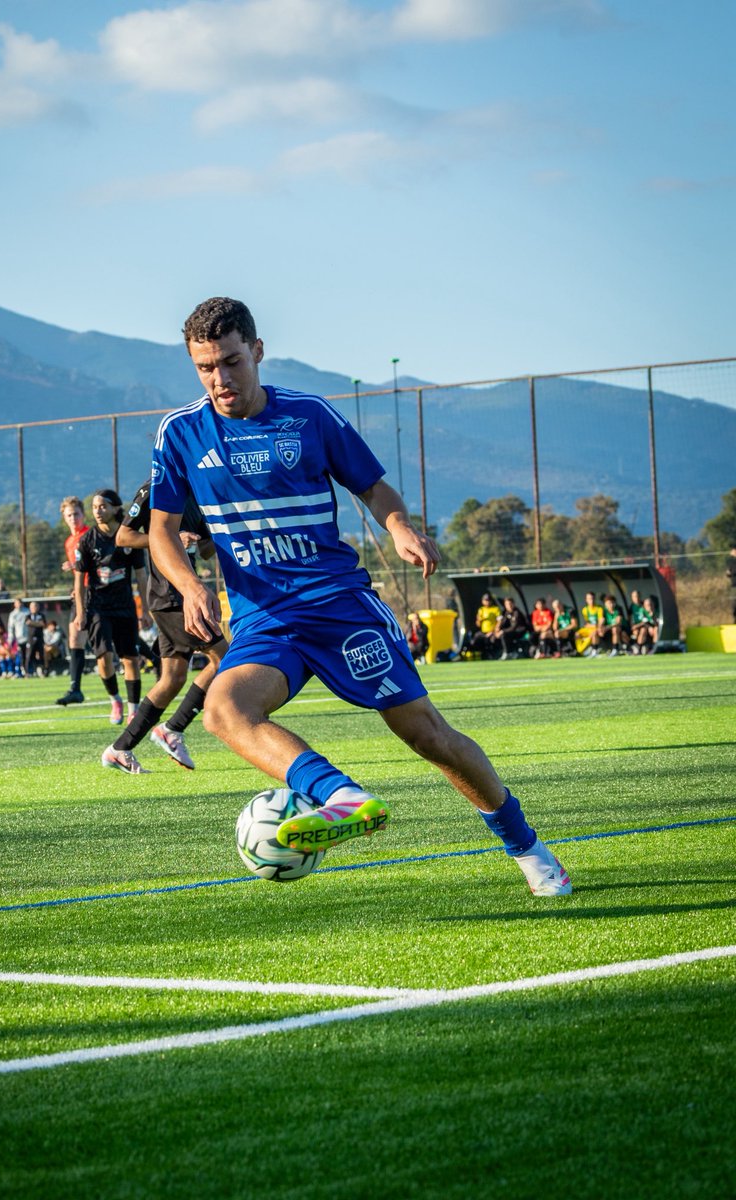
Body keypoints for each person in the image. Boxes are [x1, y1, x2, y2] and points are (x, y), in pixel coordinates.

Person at [148, 296, 571, 897]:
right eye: (205, 368)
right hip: (263, 617)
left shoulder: (310, 416)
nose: (220, 379)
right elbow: (161, 529)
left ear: (258, 352)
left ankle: (529, 849)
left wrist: (399, 527)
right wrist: (190, 585)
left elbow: (372, 487)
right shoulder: (182, 432)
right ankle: (341, 797)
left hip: (338, 604)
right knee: (223, 710)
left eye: (232, 362)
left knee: (427, 735)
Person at [100, 477, 228, 773]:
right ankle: (173, 728)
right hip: (170, 595)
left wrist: (214, 535)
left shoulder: (199, 490)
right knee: (224, 659)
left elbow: (207, 550)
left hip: (183, 593)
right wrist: (168, 538)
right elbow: (124, 537)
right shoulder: (154, 488)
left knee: (173, 678)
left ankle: (120, 749)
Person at [70, 489, 151, 723]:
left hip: (124, 606)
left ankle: (133, 708)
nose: (97, 511)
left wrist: (144, 611)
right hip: (97, 607)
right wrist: (80, 612)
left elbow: (141, 576)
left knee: (130, 658)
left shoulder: (129, 537)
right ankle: (115, 700)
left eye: (103, 506)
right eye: (94, 507)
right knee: (103, 656)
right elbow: (79, 580)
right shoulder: (87, 540)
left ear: (116, 509)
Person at [55, 496, 91, 705]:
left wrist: (75, 566)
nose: (73, 518)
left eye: (76, 514)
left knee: (112, 638)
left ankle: (153, 659)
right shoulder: (69, 542)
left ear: (83, 514)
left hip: (94, 592)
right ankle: (75, 688)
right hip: (79, 594)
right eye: (69, 515)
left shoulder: (89, 535)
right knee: (75, 638)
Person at [466, 592, 501, 659]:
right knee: (476, 639)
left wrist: (493, 631)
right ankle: (477, 654)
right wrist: (479, 620)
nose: (487, 602)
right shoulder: (481, 610)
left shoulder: (496, 609)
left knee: (492, 641)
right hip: (483, 631)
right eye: (485, 600)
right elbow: (478, 624)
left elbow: (499, 621)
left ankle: (494, 655)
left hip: (492, 631)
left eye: (488, 600)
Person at [494, 596, 528, 660]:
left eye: (510, 604)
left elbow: (514, 627)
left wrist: (503, 631)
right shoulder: (506, 613)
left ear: (513, 604)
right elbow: (503, 623)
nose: (509, 606)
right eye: (507, 604)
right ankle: (506, 652)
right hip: (511, 632)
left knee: (504, 634)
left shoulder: (517, 613)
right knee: (495, 637)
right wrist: (497, 629)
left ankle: (507, 653)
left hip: (520, 632)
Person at [7, 598, 30, 678]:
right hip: (18, 639)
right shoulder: (13, 614)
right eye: (17, 603)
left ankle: (29, 671)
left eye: (20, 603)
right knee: (20, 656)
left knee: (28, 655)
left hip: (28, 638)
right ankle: (21, 672)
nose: (19, 605)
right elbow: (10, 628)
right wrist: (10, 640)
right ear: (14, 604)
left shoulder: (27, 611)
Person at [580, 591, 605, 657]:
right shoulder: (585, 610)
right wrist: (593, 626)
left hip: (597, 628)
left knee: (594, 633)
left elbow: (601, 620)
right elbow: (586, 624)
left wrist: (597, 626)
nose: (591, 600)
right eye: (589, 599)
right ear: (586, 600)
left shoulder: (599, 608)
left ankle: (594, 650)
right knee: (577, 634)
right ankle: (580, 650)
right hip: (589, 628)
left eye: (592, 598)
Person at [25, 601, 46, 677]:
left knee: (41, 655)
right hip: (31, 639)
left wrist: (32, 623)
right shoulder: (28, 616)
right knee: (29, 655)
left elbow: (43, 624)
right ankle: (28, 672)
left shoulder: (41, 615)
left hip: (40, 638)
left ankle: (42, 671)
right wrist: (37, 623)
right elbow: (28, 623)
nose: (34, 608)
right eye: (32, 607)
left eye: (35, 606)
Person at [726, 547, 736, 623]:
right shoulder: (732, 562)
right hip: (734, 585)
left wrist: (731, 572)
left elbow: (732, 572)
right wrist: (729, 573)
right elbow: (728, 573)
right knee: (734, 604)